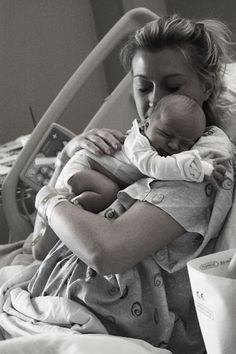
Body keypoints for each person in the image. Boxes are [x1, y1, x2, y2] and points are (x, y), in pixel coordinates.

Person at [0, 14, 234, 354]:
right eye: (142, 87)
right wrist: (71, 155)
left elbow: (106, 252)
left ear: (208, 86)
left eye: (172, 86)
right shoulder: (132, 150)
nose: (153, 100)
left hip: (98, 313)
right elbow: (39, 246)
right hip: (53, 283)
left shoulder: (196, 171)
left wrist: (48, 200)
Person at [55, 94, 227, 213]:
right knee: (108, 191)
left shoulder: (209, 142)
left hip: (91, 172)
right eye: (166, 134)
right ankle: (73, 207)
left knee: (108, 194)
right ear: (146, 122)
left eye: (185, 144)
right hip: (84, 166)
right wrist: (199, 167)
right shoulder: (137, 142)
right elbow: (155, 166)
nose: (174, 145)